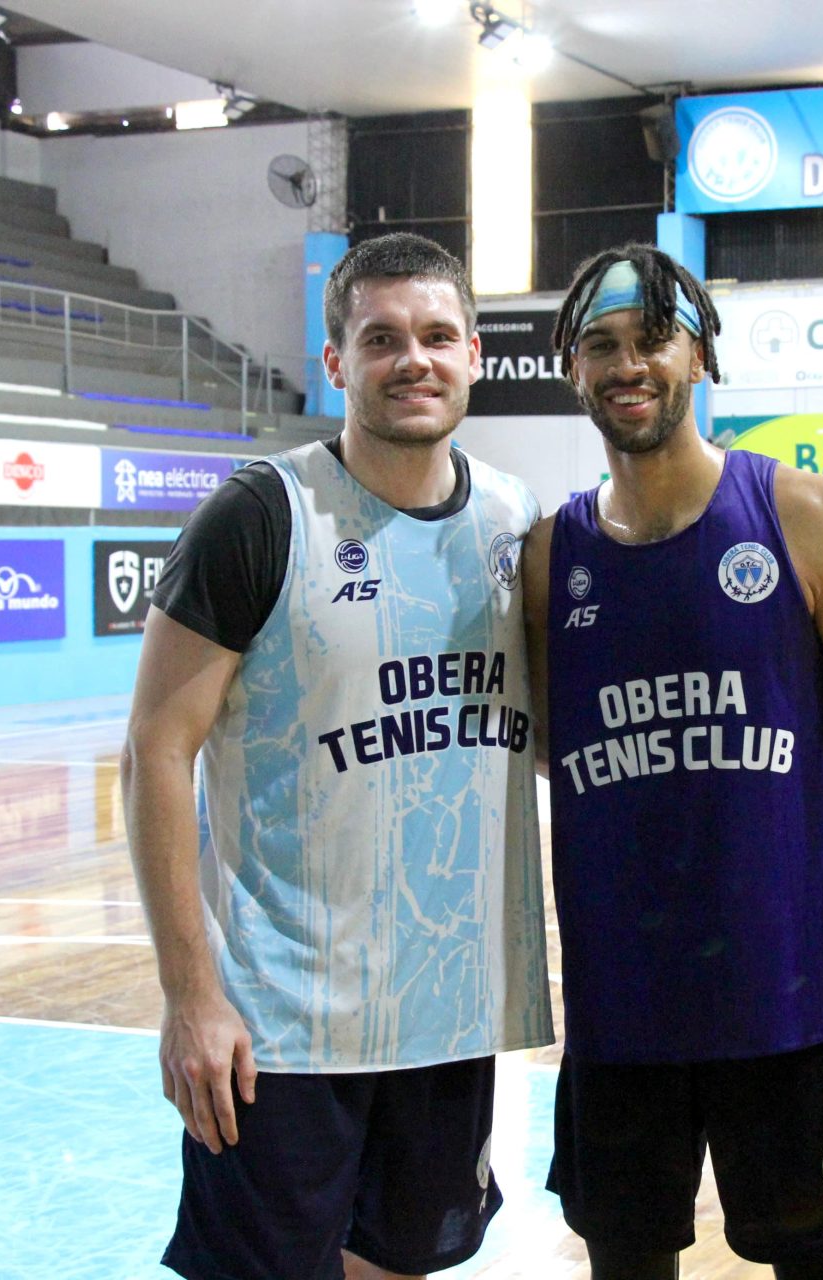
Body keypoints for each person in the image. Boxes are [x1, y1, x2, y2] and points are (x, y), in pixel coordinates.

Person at [121, 231, 552, 1280]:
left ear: (475, 353)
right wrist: (190, 994)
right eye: (382, 338)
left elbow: (546, 740)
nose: (415, 359)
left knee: (402, 1265)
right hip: (281, 1021)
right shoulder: (260, 516)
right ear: (336, 362)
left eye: (438, 335)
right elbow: (153, 752)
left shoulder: (516, 521)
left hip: (451, 1010)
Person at [524, 244, 823, 1280]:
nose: (629, 364)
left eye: (653, 340)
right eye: (601, 345)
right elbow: (551, 749)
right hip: (622, 1015)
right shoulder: (548, 558)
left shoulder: (806, 515)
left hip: (798, 1008)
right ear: (573, 369)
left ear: (699, 355)